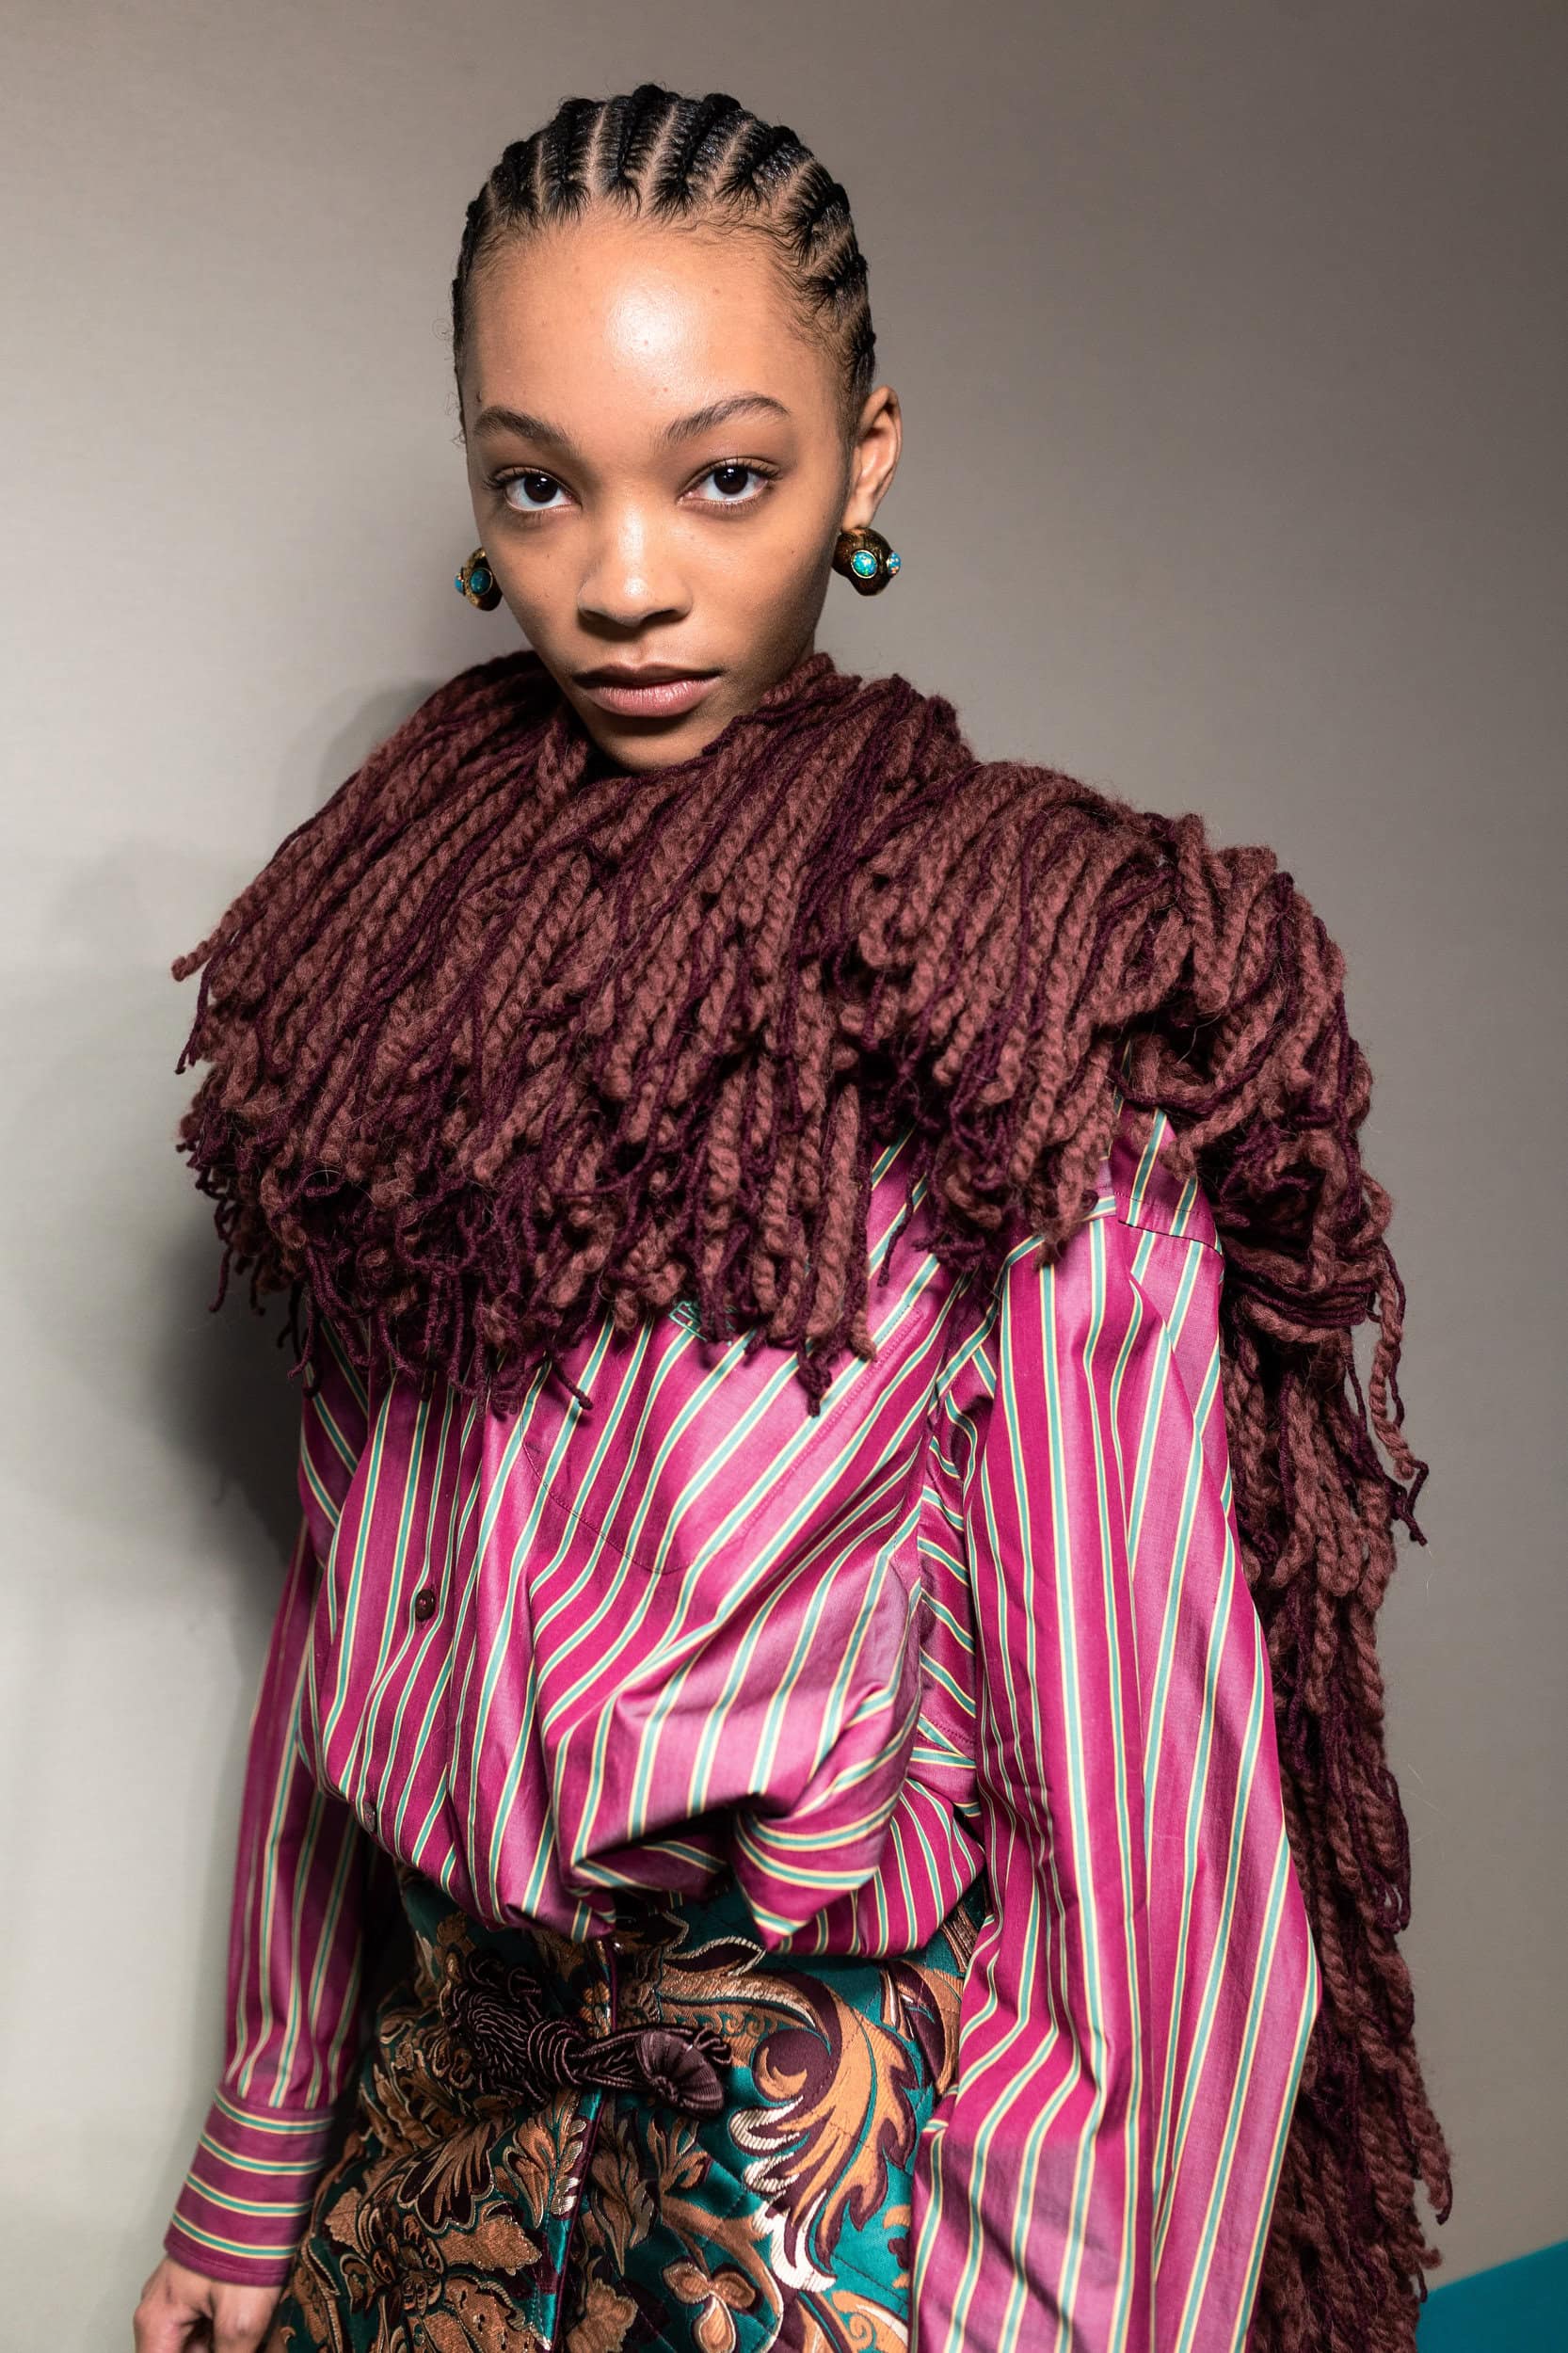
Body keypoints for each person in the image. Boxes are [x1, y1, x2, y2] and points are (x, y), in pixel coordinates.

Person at [133, 84, 1450, 2353]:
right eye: (537, 482)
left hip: (826, 2217)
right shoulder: (399, 953)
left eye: (722, 476)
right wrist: (260, 2154)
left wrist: (1068, 2314)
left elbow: (1141, 1820)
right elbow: (352, 1600)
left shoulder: (1013, 978)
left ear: (863, 464)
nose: (622, 578)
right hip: (421, 2160)